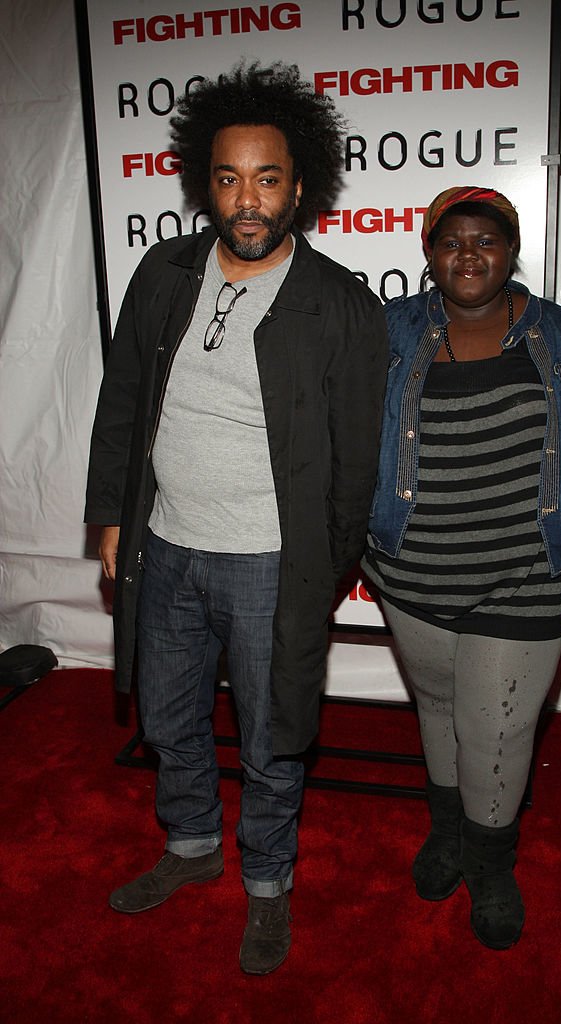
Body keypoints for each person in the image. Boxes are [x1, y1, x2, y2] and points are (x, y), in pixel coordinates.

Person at [85, 62, 387, 975]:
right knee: (170, 716)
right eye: (228, 178)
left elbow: (354, 461)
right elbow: (125, 397)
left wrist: (324, 565)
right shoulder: (164, 271)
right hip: (166, 544)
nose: (246, 200)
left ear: (300, 186)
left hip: (269, 564)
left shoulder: (339, 305)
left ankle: (265, 885)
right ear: (203, 184)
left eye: (266, 179)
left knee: (271, 736)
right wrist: (110, 515)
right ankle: (189, 848)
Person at [363, 185, 561, 950]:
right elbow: (345, 438)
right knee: (440, 711)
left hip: (523, 574)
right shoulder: (390, 331)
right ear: (427, 251)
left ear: (511, 251)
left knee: (498, 732)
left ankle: (490, 863)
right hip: (411, 574)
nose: (468, 255)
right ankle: (447, 833)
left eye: (486, 240)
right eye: (452, 241)